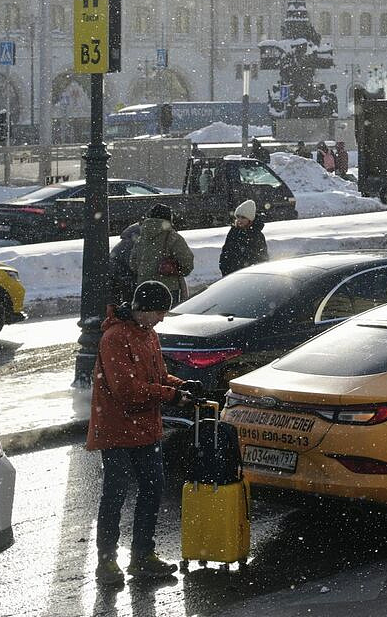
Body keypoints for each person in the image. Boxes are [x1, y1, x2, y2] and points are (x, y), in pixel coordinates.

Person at [88, 280, 192, 588]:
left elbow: (157, 376)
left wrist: (180, 385)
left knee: (152, 489)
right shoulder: (114, 338)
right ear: (142, 309)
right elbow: (127, 390)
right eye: (159, 312)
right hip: (117, 429)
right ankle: (106, 561)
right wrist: (171, 395)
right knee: (115, 494)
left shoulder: (149, 335)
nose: (161, 318)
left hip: (146, 429)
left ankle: (142, 555)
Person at [125, 204, 195, 304]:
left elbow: (133, 264)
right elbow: (187, 263)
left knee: (148, 313)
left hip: (144, 288)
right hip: (168, 289)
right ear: (169, 218)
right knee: (168, 313)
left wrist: (146, 271)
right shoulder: (173, 237)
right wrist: (176, 269)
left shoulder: (141, 239)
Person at [217, 199, 268, 277]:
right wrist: (225, 270)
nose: (239, 220)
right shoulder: (233, 232)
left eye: (243, 217)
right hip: (231, 276)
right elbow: (225, 253)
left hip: (250, 277)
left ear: (250, 220)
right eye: (238, 217)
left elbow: (262, 259)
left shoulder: (257, 235)